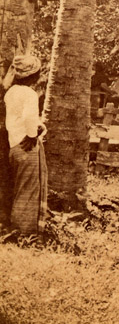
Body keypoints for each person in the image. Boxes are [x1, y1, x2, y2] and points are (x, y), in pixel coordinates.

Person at [2, 54, 48, 238]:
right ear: (32, 76)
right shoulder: (29, 93)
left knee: (19, 187)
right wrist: (32, 135)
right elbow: (29, 118)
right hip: (26, 146)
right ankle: (24, 232)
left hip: (14, 145)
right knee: (28, 190)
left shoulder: (10, 92)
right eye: (37, 73)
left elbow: (17, 119)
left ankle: (15, 227)